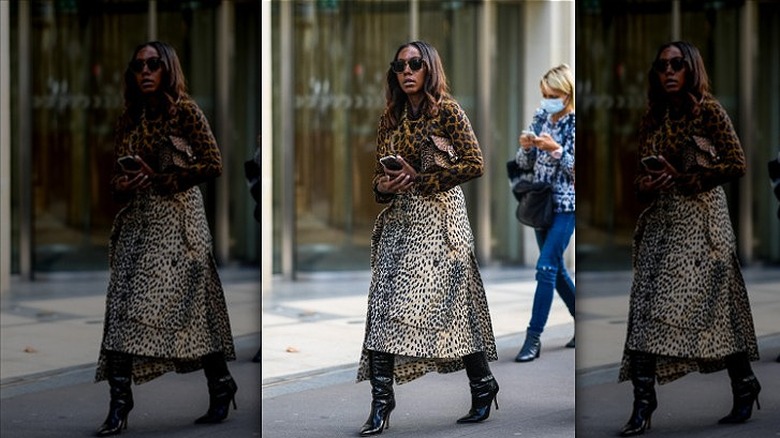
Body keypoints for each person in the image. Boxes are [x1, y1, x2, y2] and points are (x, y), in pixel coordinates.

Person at [94, 41, 237, 436]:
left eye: (153, 64)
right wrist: (124, 182)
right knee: (121, 310)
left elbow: (214, 164)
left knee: (189, 315)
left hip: (178, 228)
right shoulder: (129, 117)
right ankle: (119, 405)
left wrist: (160, 179)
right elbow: (114, 183)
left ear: (167, 69)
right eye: (138, 64)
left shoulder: (185, 111)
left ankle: (220, 385)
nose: (145, 70)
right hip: (138, 227)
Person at [618, 41, 760, 436]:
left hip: (702, 227)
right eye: (662, 64)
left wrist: (684, 179)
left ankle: (744, 385)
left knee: (715, 314)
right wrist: (649, 182)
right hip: (661, 226)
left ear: (691, 69)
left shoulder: (709, 110)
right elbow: (637, 180)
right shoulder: (653, 115)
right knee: (645, 311)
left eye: (677, 64)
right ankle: (643, 405)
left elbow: (737, 163)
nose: (669, 71)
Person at [356, 40, 498, 436]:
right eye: (400, 64)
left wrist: (421, 179)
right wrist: (387, 184)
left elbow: (475, 163)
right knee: (383, 308)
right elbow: (376, 181)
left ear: (429, 68)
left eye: (415, 63)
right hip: (400, 224)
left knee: (453, 312)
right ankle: (381, 404)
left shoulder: (447, 110)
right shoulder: (391, 117)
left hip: (440, 225)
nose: (407, 71)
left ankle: (483, 386)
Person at [512, 64, 576, 363]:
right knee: (557, 269)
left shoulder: (575, 123)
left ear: (568, 93)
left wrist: (557, 150)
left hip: (567, 206)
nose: (549, 100)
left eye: (554, 95)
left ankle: (533, 339)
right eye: (545, 94)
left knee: (546, 267)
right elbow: (523, 163)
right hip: (541, 203)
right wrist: (525, 146)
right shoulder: (541, 118)